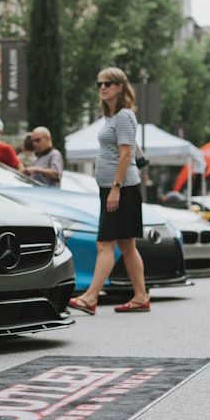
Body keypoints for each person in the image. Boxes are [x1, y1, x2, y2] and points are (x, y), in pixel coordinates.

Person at [68, 67, 150, 315]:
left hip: (121, 188)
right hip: (115, 189)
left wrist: (115, 189)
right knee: (126, 245)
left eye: (108, 83)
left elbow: (126, 154)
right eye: (100, 83)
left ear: (120, 87)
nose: (102, 87)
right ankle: (140, 297)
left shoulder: (124, 116)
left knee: (105, 244)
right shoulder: (112, 118)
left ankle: (90, 297)